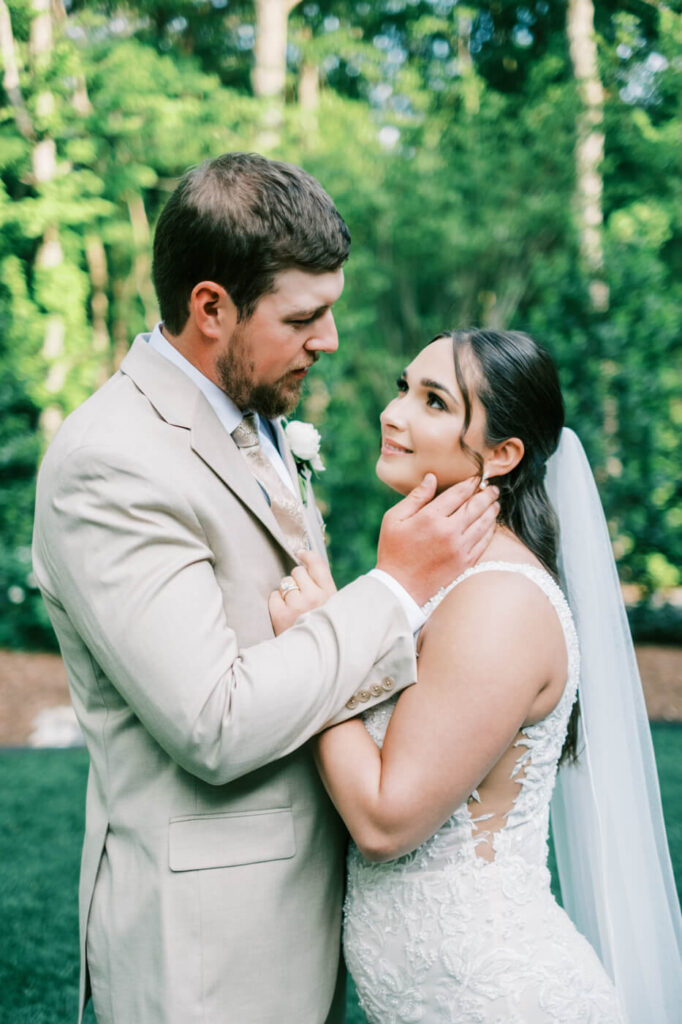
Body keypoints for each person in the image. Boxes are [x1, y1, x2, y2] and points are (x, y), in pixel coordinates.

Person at [31, 155, 500, 1024]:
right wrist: (393, 591)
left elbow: (298, 635)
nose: (329, 340)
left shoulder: (260, 416)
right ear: (211, 307)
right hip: (208, 953)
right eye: (304, 317)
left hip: (305, 919)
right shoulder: (110, 463)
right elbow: (215, 721)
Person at [271, 328, 682, 1023]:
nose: (394, 413)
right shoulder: (440, 581)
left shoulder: (500, 600)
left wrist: (320, 645)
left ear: (501, 454)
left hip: (503, 999)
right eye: (405, 388)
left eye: (434, 402)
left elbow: (382, 818)